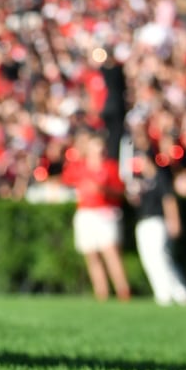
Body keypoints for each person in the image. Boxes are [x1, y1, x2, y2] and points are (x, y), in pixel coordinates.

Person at [64, 128, 130, 301]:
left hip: (106, 212)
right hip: (86, 213)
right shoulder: (79, 166)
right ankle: (101, 292)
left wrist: (104, 190)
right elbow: (66, 182)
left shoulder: (110, 167)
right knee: (92, 255)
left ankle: (123, 291)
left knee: (111, 253)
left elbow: (121, 192)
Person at [127, 148, 186, 306]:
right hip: (143, 222)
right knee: (149, 259)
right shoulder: (139, 181)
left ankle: (180, 292)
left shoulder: (160, 177)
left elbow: (169, 199)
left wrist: (174, 221)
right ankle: (162, 293)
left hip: (158, 221)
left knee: (161, 257)